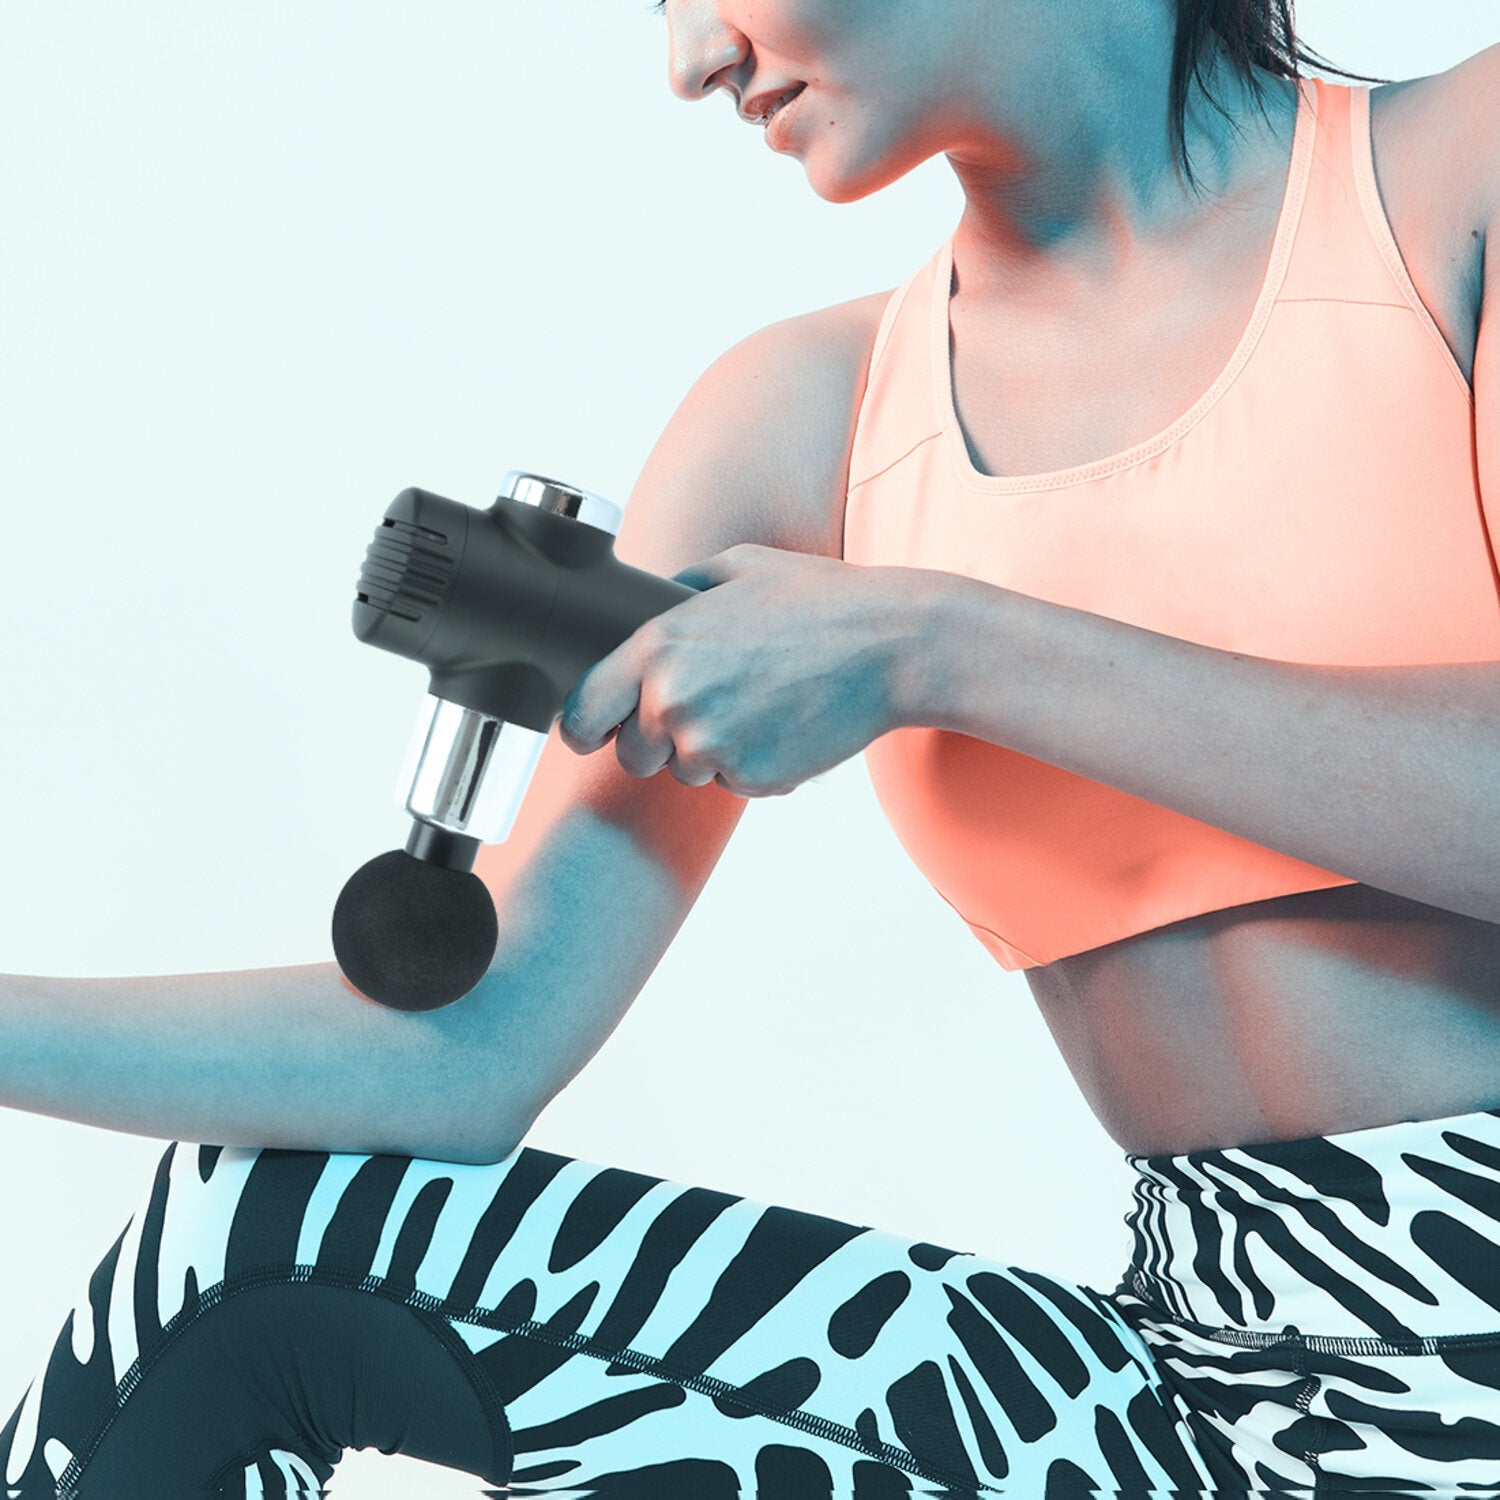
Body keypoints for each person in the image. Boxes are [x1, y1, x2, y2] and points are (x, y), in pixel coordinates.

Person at [5, 0, 1500, 1492]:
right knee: (238, 1252)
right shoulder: (805, 424)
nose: (690, 59)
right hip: (1199, 1398)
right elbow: (471, 1048)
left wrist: (937, 645)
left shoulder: (1455, 176)